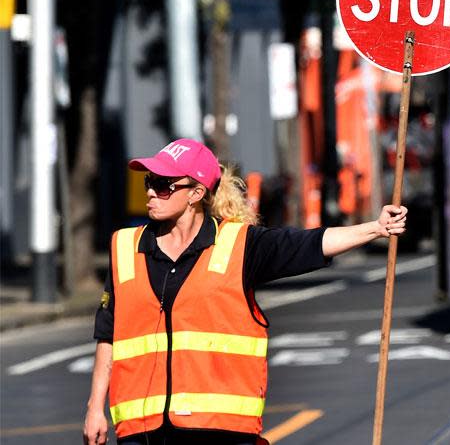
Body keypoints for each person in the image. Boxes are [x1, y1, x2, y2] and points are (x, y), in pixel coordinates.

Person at [82, 139, 407, 445]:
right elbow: (108, 335)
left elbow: (308, 244)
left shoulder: (240, 245)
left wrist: (376, 228)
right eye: (148, 182)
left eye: (164, 185)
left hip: (219, 429)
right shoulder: (124, 248)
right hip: (142, 431)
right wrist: (95, 407)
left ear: (196, 193)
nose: (151, 192)